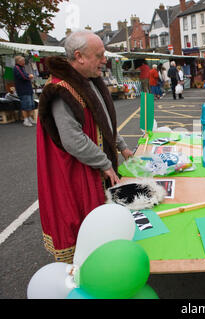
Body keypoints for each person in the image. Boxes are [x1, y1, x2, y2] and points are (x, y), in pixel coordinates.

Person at [36, 30, 134, 263]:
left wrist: (122, 147)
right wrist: (104, 163)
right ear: (79, 56)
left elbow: (104, 123)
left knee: (102, 222)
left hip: (95, 167)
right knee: (83, 227)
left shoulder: (88, 81)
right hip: (77, 174)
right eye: (99, 55)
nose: (104, 60)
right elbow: (72, 139)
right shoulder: (61, 89)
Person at [13, 56, 36, 127]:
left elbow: (25, 75)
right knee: (26, 105)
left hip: (28, 89)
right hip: (23, 90)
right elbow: (23, 76)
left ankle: (29, 118)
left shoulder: (22, 68)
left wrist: (28, 75)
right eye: (22, 60)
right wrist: (30, 76)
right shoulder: (16, 68)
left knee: (31, 104)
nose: (24, 62)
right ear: (18, 61)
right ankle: (26, 119)